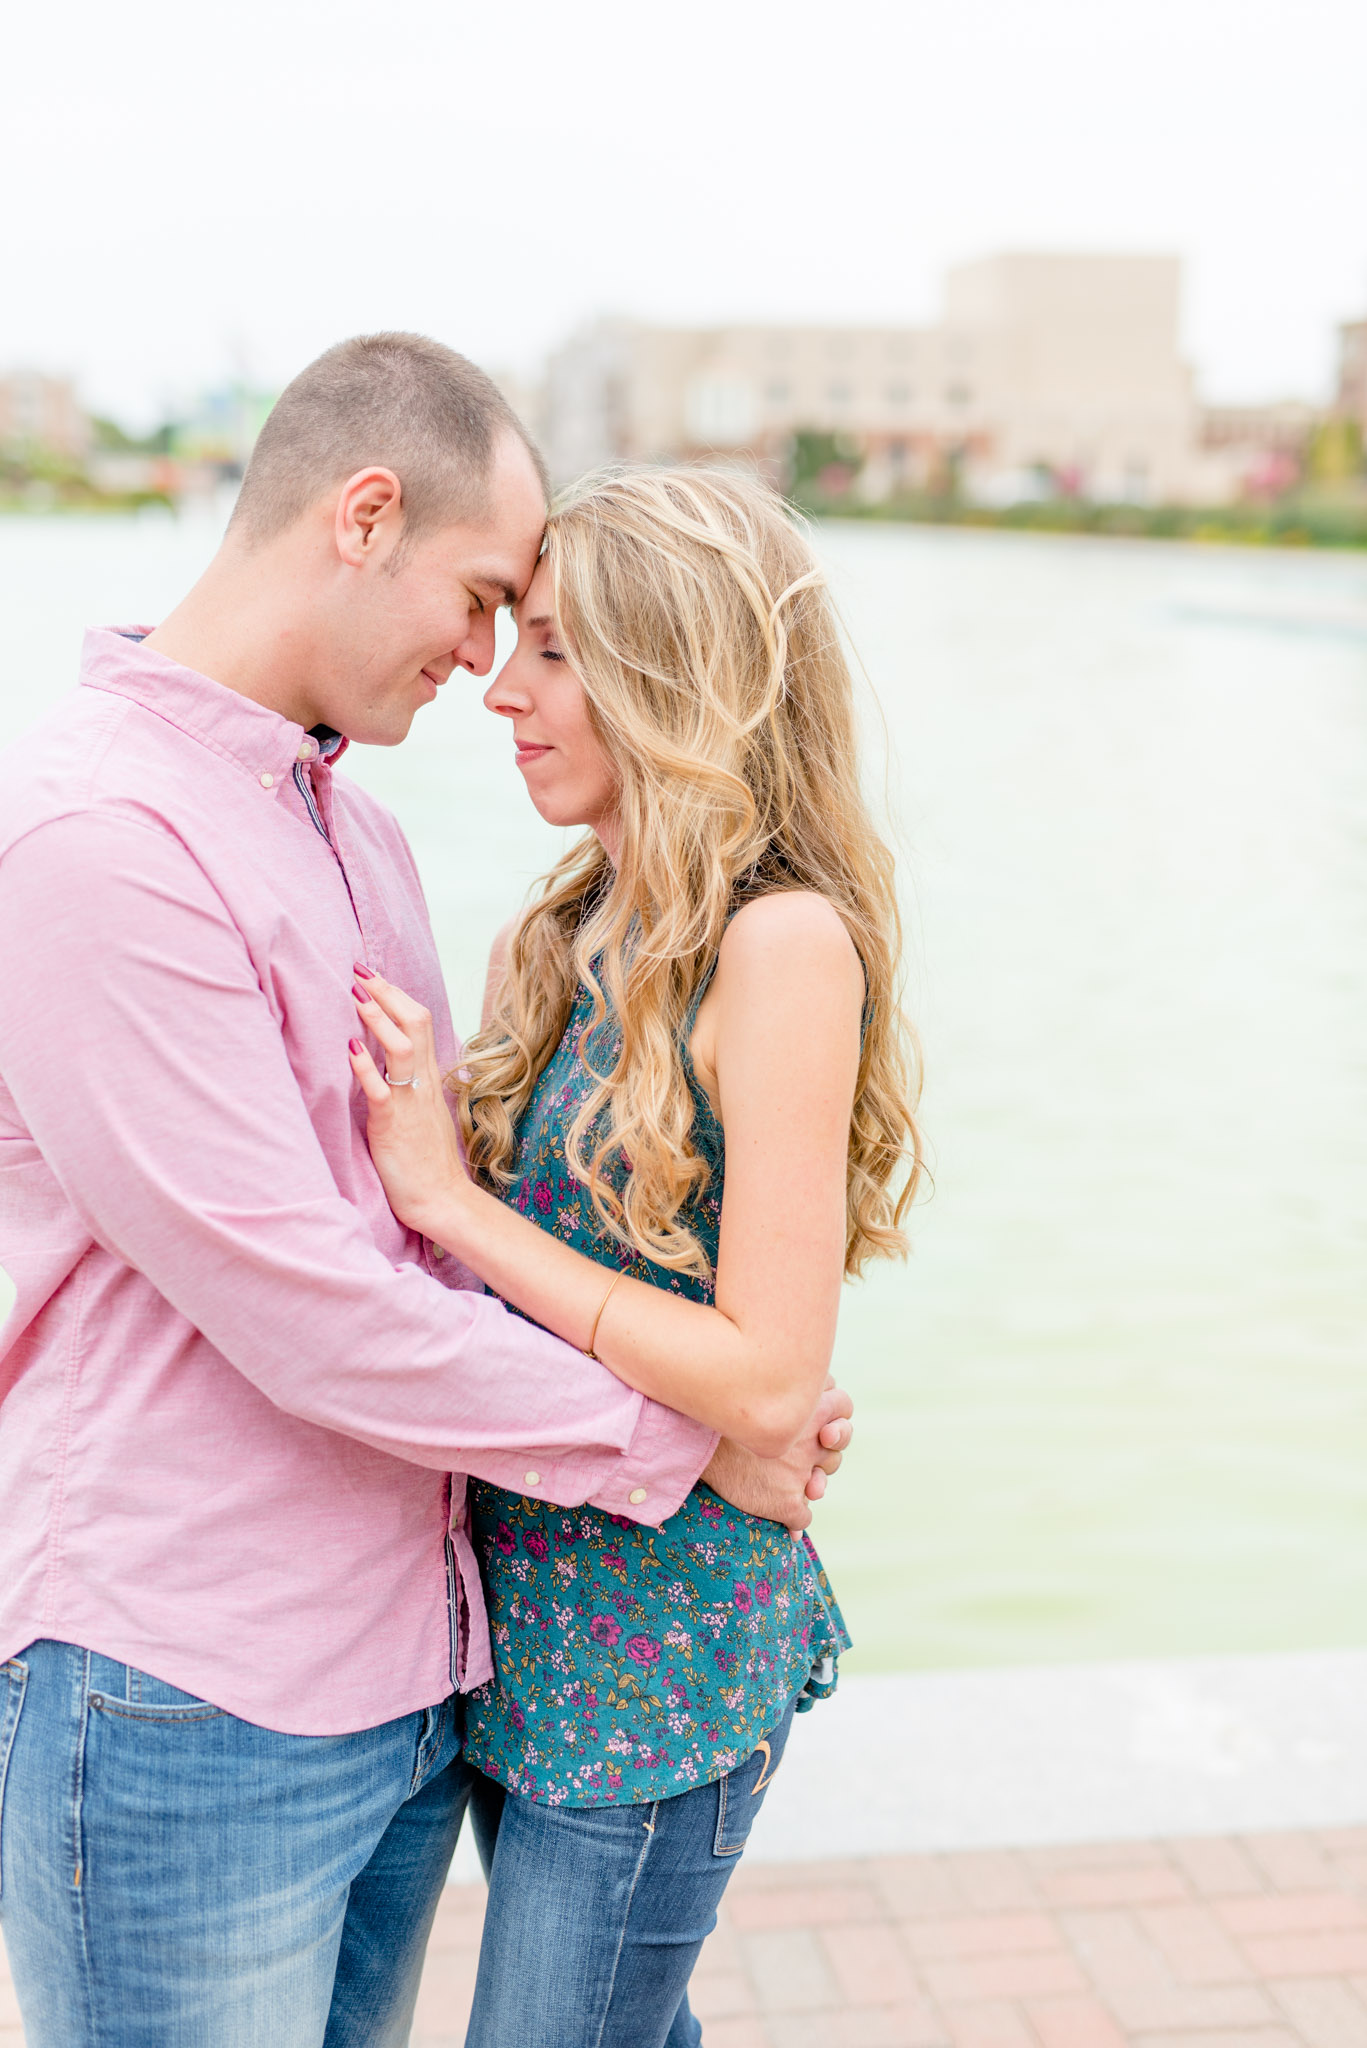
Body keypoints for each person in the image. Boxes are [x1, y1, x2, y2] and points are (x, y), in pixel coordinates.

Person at [0, 337, 853, 2048]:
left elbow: (438, 1234)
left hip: (423, 1675)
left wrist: (730, 1389)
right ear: (364, 513)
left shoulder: (357, 838)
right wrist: (697, 1440)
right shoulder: (104, 839)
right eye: (484, 607)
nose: (484, 667)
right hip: (191, 1694)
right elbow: (316, 1313)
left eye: (533, 639)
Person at [347, 464, 923, 2047]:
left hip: (662, 1667)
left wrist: (451, 1202)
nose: (500, 693)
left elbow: (771, 1371)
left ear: (672, 671)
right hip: (514, 1624)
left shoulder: (779, 942)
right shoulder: (564, 930)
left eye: (549, 651)